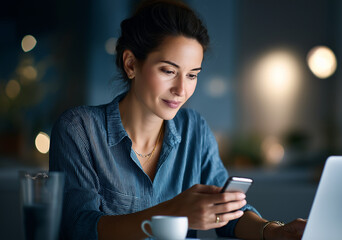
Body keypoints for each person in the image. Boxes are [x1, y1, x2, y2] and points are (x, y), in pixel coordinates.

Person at [49, 0, 306, 239]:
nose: (181, 90)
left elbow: (226, 215)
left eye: (192, 75)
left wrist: (274, 232)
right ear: (130, 64)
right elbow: (81, 227)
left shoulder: (195, 130)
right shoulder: (79, 129)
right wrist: (175, 211)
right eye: (169, 71)